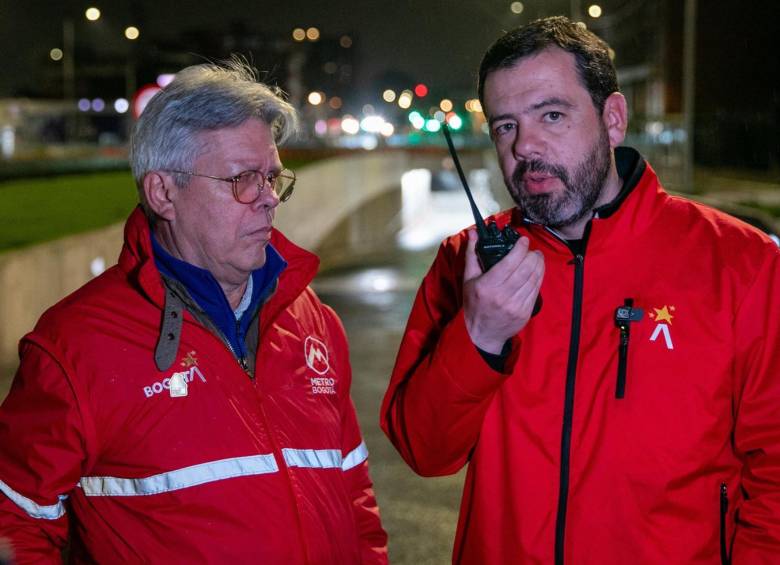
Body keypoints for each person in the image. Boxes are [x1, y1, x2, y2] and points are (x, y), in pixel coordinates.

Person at [381, 16, 780, 565]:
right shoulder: (465, 261)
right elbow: (423, 451)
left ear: (612, 118)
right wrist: (477, 336)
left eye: (552, 115)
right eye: (505, 126)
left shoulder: (742, 263)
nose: (526, 147)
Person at [0, 58, 388, 564]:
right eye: (243, 179)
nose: (269, 199)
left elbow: (353, 495)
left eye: (272, 177)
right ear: (163, 192)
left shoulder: (313, 319)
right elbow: (15, 528)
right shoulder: (73, 347)